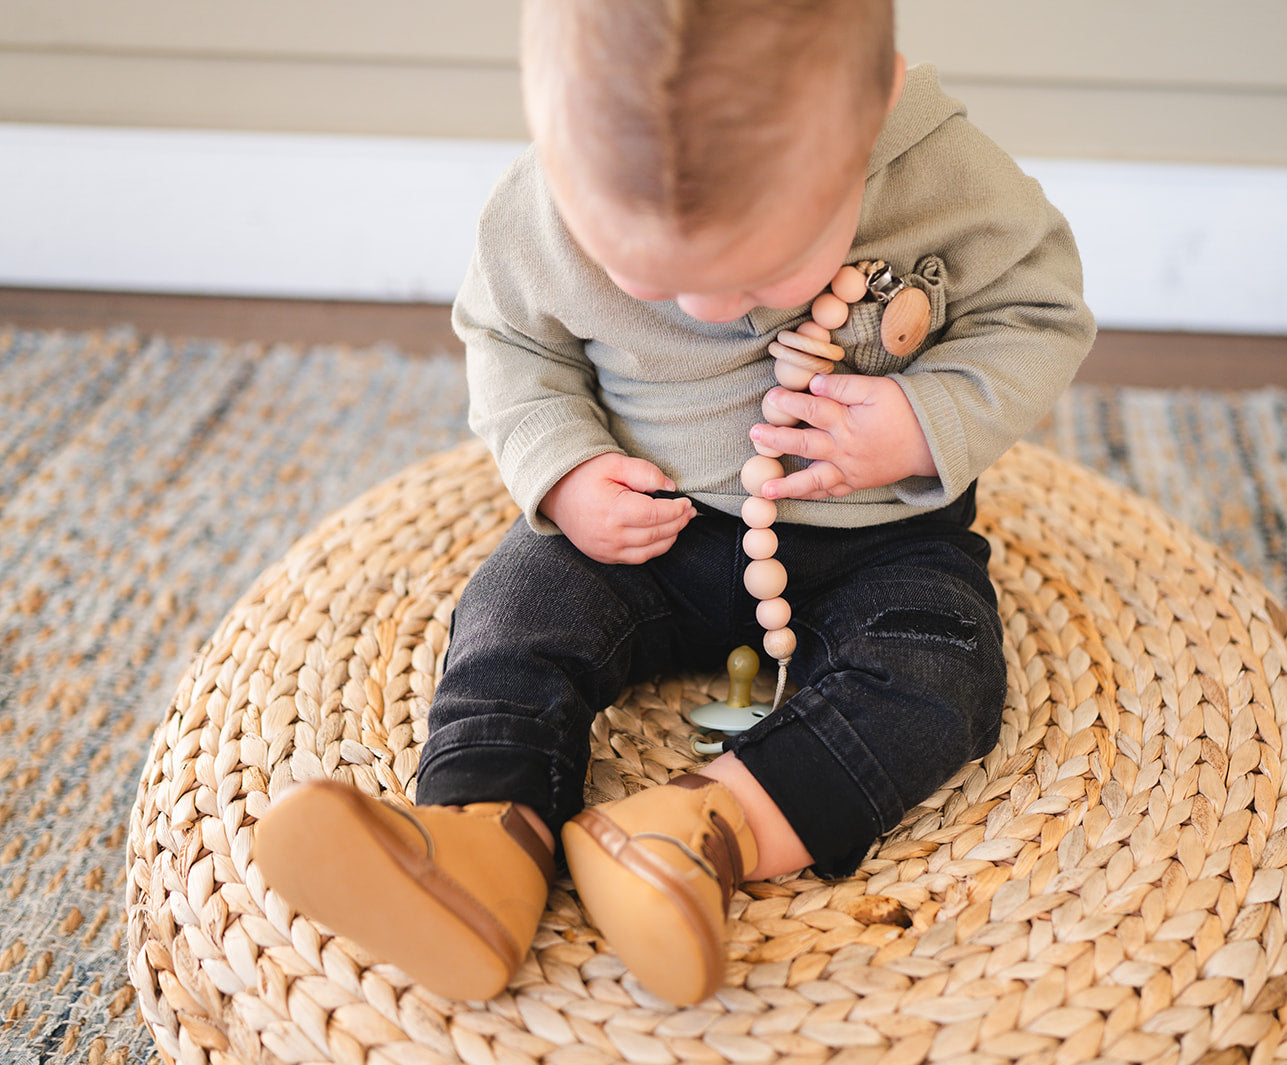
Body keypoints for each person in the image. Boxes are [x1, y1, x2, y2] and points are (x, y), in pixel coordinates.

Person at [255, 0, 1094, 1006]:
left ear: (872, 112)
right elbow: (513, 346)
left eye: (765, 268)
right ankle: (482, 839)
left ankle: (700, 828)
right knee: (517, 609)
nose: (708, 308)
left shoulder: (945, 176)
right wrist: (565, 473)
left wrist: (924, 420)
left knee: (941, 677)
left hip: (879, 538)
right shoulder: (545, 205)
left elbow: (1040, 312)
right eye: (649, 276)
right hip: (652, 532)